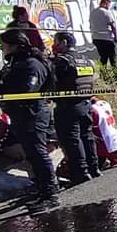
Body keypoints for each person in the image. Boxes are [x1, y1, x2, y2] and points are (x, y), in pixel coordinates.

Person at [0, 27, 58, 211]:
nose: (3, 50)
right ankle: (41, 189)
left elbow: (26, 92)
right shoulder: (17, 64)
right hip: (21, 115)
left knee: (38, 153)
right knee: (31, 154)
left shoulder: (31, 64)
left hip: (32, 113)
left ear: (15, 46)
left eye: (4, 46)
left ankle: (50, 193)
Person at [49, 31, 100, 186]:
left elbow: (52, 80)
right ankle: (94, 168)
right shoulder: (85, 60)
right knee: (87, 136)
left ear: (64, 42)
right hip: (86, 104)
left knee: (73, 140)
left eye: (56, 42)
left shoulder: (62, 61)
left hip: (68, 106)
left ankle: (81, 172)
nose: (54, 45)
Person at [89, 0, 117, 65]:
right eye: (108, 4)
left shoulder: (93, 12)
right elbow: (113, 26)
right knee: (112, 57)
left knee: (103, 56)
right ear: (105, 3)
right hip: (106, 38)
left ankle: (103, 73)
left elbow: (90, 25)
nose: (108, 6)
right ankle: (116, 73)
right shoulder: (106, 12)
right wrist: (115, 37)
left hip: (96, 38)